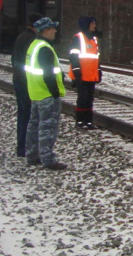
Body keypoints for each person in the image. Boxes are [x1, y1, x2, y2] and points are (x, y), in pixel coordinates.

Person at [24, 17, 67, 170]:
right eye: (53, 28)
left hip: (35, 92)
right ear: (46, 30)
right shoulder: (44, 48)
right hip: (46, 94)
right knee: (48, 127)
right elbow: (48, 74)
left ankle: (32, 155)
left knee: (34, 125)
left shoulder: (34, 45)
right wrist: (55, 92)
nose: (55, 31)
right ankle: (48, 159)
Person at [11, 12, 42, 157]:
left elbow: (14, 59)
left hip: (19, 79)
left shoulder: (21, 36)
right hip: (27, 82)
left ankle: (21, 147)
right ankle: (25, 148)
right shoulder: (32, 39)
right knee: (29, 116)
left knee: (23, 114)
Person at [68, 16, 101, 130]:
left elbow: (96, 58)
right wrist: (77, 72)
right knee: (82, 98)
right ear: (86, 24)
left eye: (94, 23)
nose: (94, 25)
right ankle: (80, 121)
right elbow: (73, 56)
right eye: (92, 23)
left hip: (91, 75)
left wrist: (99, 71)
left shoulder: (94, 39)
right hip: (82, 75)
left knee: (89, 99)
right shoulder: (78, 38)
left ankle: (88, 121)